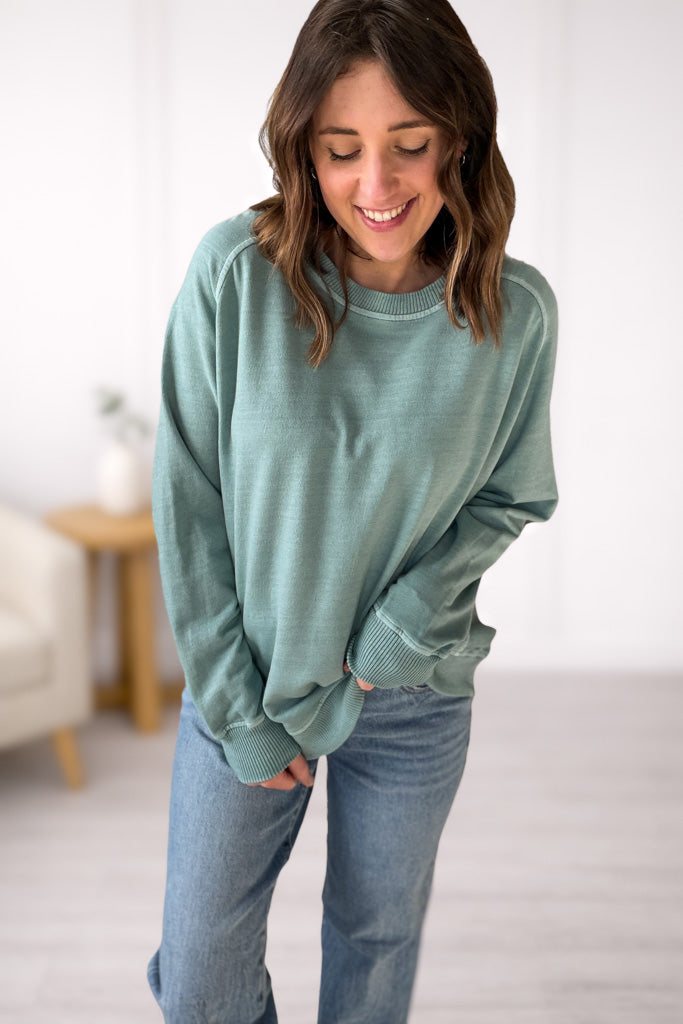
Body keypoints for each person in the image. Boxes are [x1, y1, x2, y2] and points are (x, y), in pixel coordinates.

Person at [147, 0, 558, 1021]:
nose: (374, 187)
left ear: (456, 141)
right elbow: (187, 499)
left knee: (374, 949)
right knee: (200, 976)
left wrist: (398, 631)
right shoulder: (233, 277)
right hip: (251, 680)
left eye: (408, 147)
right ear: (302, 149)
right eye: (340, 151)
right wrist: (236, 709)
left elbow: (512, 493)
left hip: (411, 695)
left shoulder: (512, 311)